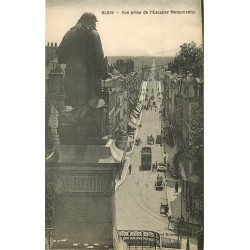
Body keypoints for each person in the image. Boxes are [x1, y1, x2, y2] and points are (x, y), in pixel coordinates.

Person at [56, 12, 111, 120]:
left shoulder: (70, 33)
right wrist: (103, 74)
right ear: (91, 22)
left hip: (72, 72)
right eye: (95, 22)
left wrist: (70, 61)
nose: (95, 25)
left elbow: (60, 52)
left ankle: (76, 113)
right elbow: (99, 56)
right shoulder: (94, 34)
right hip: (89, 73)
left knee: (76, 99)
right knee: (87, 102)